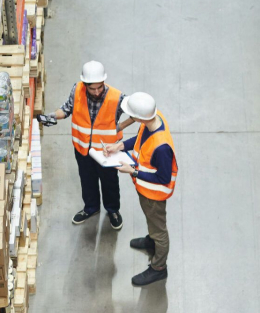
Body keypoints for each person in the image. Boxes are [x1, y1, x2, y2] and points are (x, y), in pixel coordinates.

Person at [37, 61, 133, 229]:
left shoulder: (117, 97)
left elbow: (137, 112)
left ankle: (113, 210)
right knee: (87, 180)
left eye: (99, 87)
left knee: (109, 182)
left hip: (106, 151)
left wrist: (120, 126)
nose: (96, 92)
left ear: (104, 82)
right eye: (92, 88)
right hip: (82, 148)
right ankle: (91, 208)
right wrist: (53, 116)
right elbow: (66, 109)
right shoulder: (77, 90)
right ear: (85, 84)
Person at [102, 92, 176, 287]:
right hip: (145, 191)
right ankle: (151, 242)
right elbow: (140, 138)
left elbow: (163, 178)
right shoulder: (154, 118)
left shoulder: (162, 147)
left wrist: (133, 171)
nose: (130, 119)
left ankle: (159, 268)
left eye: (132, 116)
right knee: (152, 223)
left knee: (159, 230)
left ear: (141, 117)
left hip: (154, 195)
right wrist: (120, 146)